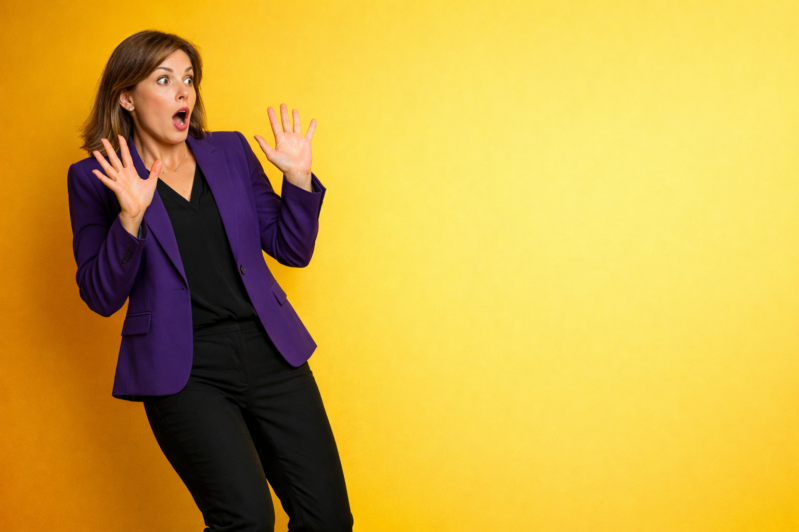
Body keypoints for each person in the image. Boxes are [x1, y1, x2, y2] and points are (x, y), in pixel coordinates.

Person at [67, 30, 353, 532]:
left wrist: (298, 179)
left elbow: (291, 248)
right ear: (127, 97)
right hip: (185, 370)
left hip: (271, 352)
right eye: (163, 80)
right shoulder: (96, 177)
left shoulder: (231, 151)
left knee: (327, 519)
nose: (183, 91)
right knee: (246, 520)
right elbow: (100, 295)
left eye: (188, 79)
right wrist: (129, 218)